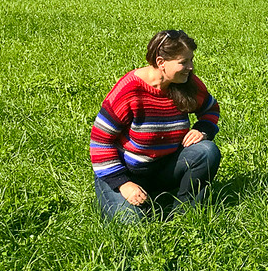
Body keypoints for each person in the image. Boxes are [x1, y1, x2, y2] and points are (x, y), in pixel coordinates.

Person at [90, 30, 221, 221]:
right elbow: (100, 141)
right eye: (183, 62)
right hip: (125, 172)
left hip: (163, 167)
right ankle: (120, 196)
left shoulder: (186, 83)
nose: (190, 67)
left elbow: (211, 108)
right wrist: (123, 184)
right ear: (161, 63)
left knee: (206, 151)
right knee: (131, 227)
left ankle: (185, 214)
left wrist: (203, 129)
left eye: (191, 60)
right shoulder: (130, 90)